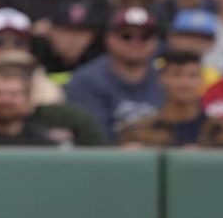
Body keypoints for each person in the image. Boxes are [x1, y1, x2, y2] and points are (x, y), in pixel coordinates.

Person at [65, 7, 164, 140]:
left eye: (145, 36)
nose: (135, 42)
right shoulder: (85, 81)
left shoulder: (166, 77)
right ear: (108, 38)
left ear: (155, 41)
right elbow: (93, 137)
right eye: (126, 36)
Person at [120, 49, 223, 148]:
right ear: (161, 79)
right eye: (176, 74)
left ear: (202, 81)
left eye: (192, 75)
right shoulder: (136, 132)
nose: (184, 82)